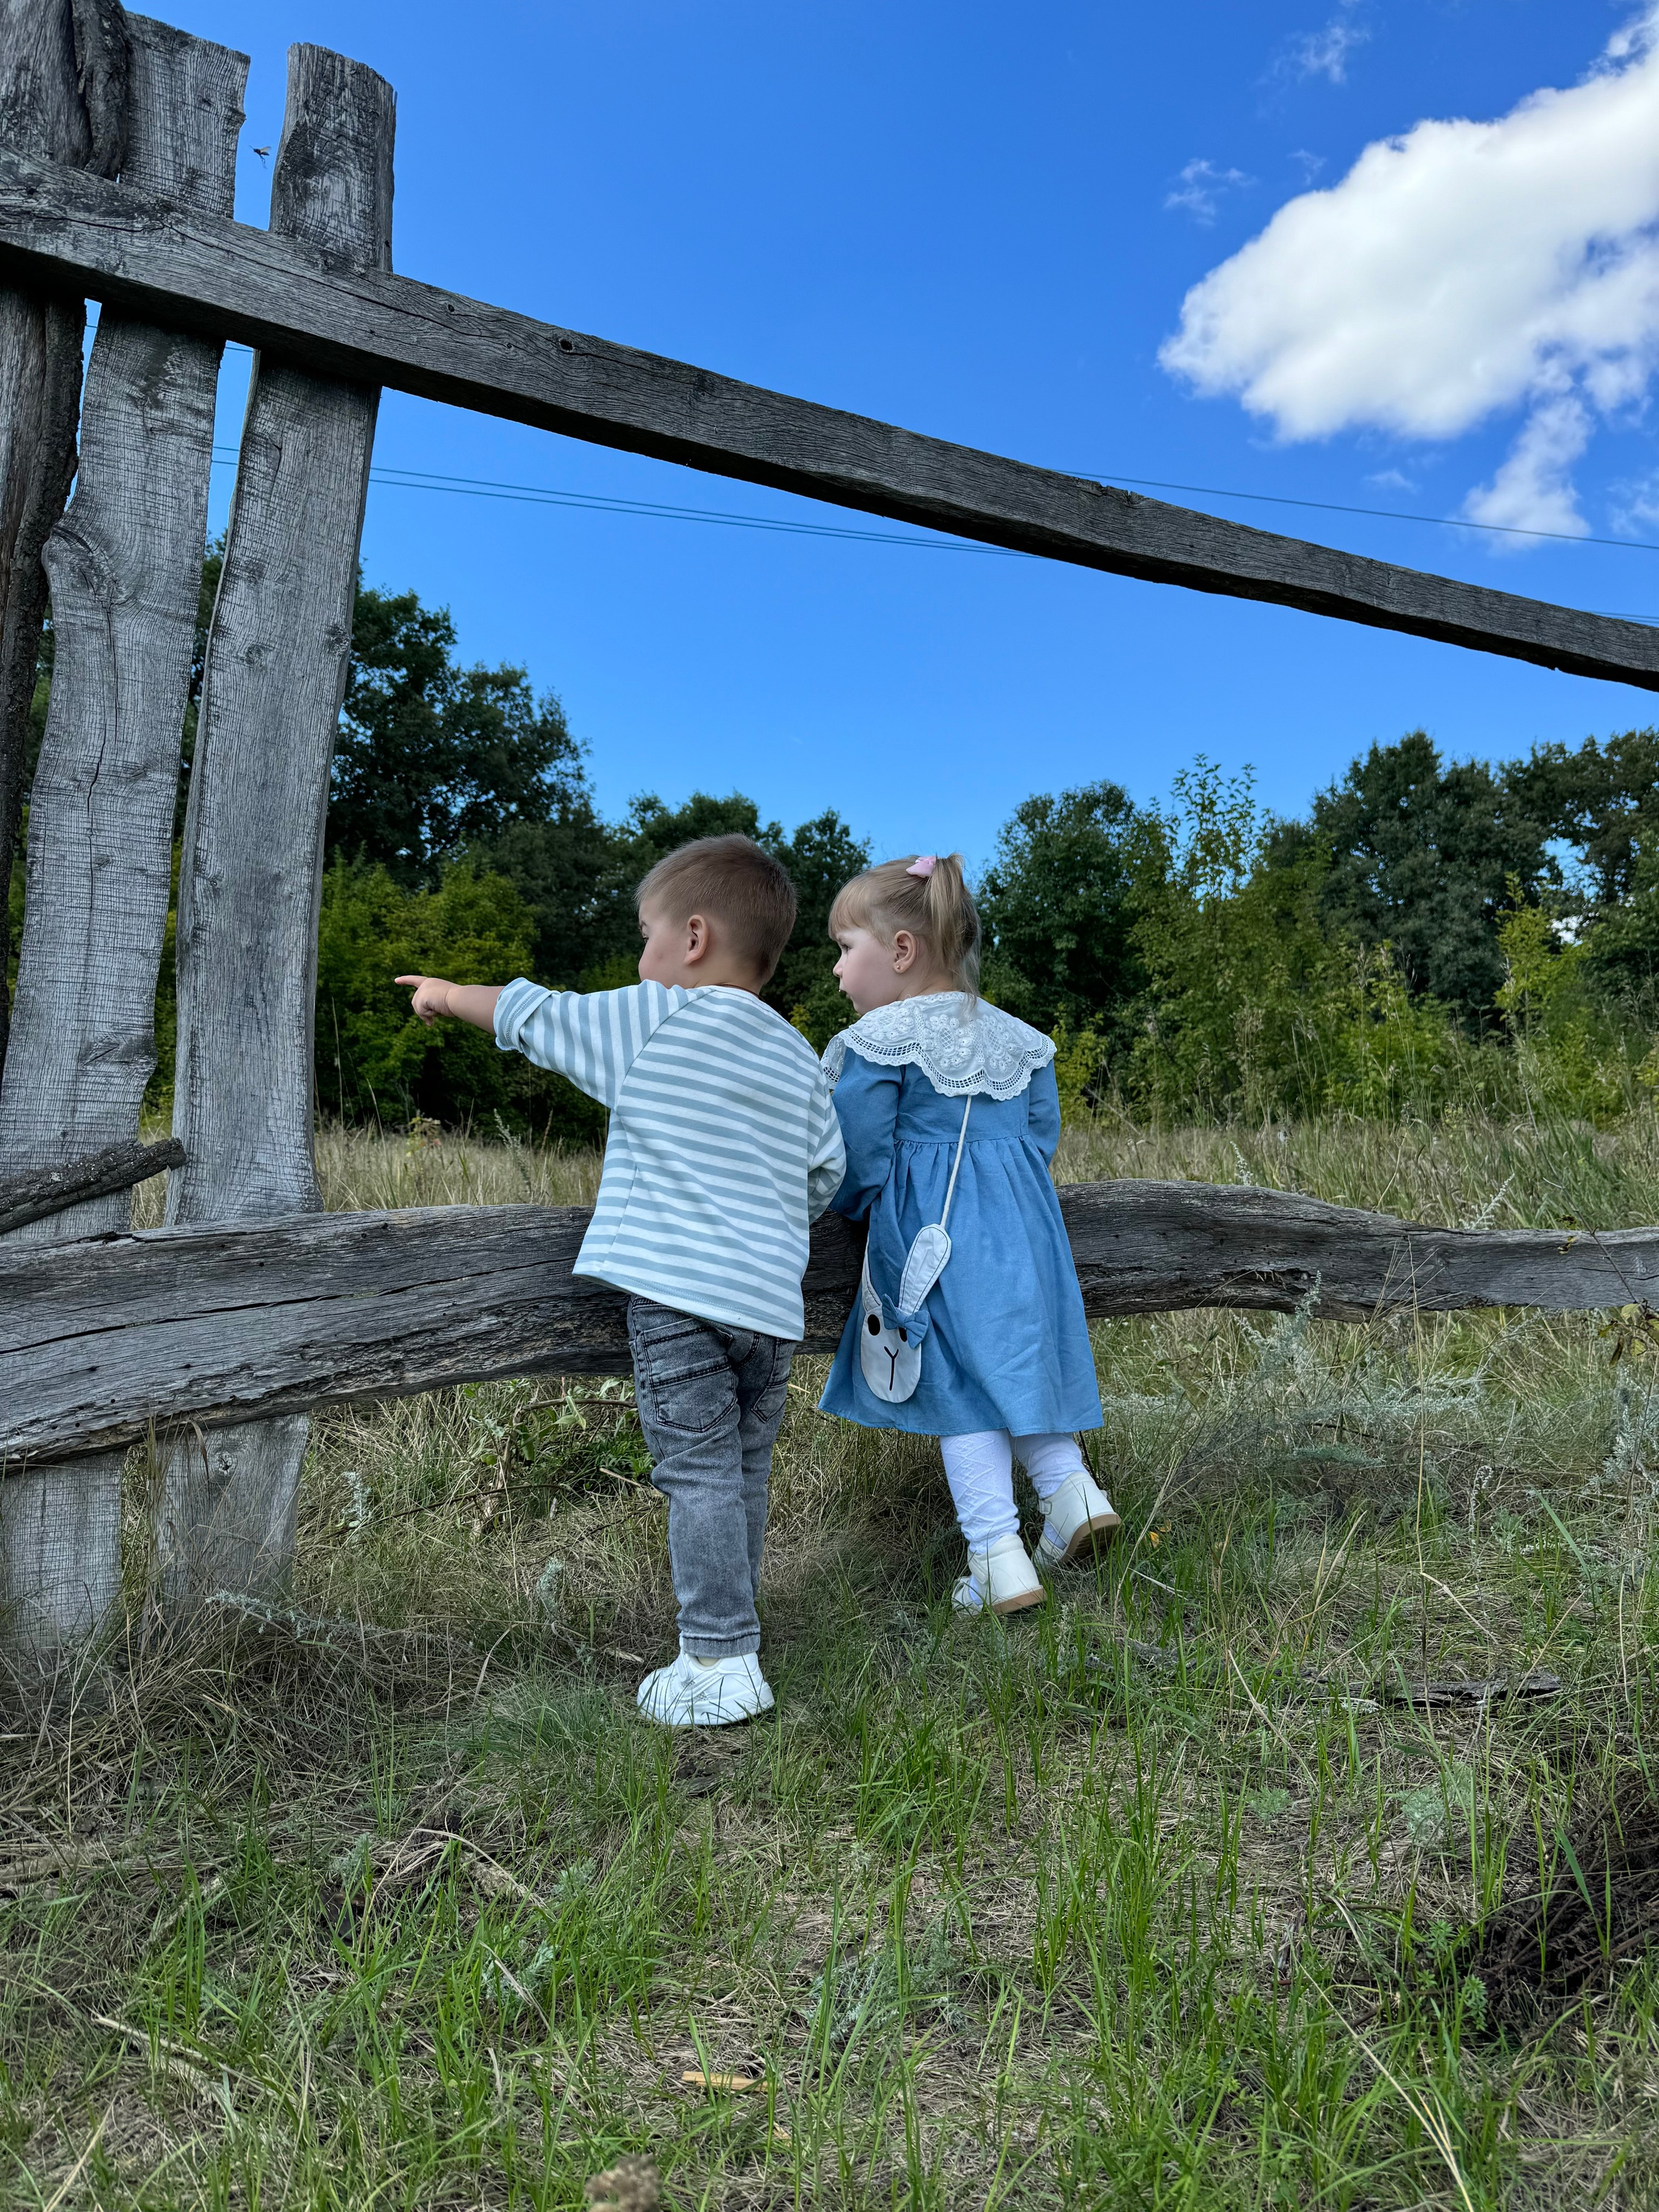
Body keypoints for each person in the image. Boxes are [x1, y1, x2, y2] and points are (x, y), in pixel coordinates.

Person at [397, 834, 844, 1725]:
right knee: (741, 1474)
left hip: (681, 1300)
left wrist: (447, 996)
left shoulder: (659, 1017)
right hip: (769, 1308)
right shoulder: (799, 1055)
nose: (637, 958)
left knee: (696, 1474)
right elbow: (825, 1174)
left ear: (691, 938)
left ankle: (718, 1660)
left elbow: (537, 1016)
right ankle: (735, 1636)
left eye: (643, 936)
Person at [818, 852, 1118, 1615]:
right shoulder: (1021, 1040)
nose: (835, 971)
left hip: (929, 1233)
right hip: (1023, 1231)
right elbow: (1039, 1135)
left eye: (845, 949)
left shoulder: (882, 1039)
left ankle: (994, 1552)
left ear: (901, 951)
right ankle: (1070, 1491)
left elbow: (857, 1151)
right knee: (1010, 1361)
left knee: (955, 1383)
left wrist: (850, 1207)